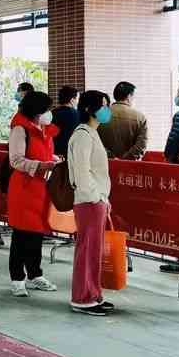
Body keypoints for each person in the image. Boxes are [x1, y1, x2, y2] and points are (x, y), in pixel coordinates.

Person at [6, 91, 60, 296]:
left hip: (41, 187)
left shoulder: (44, 129)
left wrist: (54, 160)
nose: (49, 112)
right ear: (37, 110)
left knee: (37, 233)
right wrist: (41, 165)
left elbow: (44, 153)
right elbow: (16, 160)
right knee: (21, 233)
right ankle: (17, 278)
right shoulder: (20, 129)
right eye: (46, 109)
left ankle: (35, 274)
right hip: (24, 188)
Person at [68, 91, 116, 315]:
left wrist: (102, 198)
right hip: (89, 201)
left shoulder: (91, 133)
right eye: (103, 105)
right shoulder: (83, 136)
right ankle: (82, 298)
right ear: (89, 109)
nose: (107, 110)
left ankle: (93, 294)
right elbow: (82, 172)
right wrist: (97, 197)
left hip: (96, 200)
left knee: (94, 250)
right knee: (87, 250)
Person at [98, 81, 148, 160]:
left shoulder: (100, 115)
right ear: (129, 96)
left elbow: (95, 140)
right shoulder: (140, 117)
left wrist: (111, 157)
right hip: (130, 166)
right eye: (133, 96)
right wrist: (125, 160)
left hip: (105, 162)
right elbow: (142, 144)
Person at [52, 85, 79, 156]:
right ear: (72, 100)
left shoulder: (52, 113)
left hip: (54, 153)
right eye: (77, 99)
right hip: (72, 152)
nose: (77, 102)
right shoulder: (77, 114)